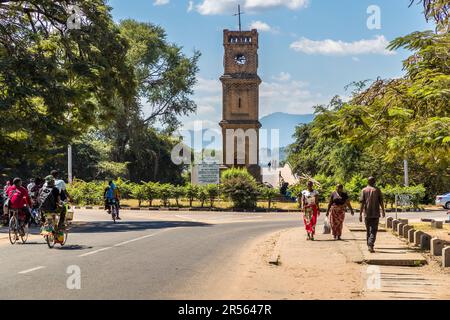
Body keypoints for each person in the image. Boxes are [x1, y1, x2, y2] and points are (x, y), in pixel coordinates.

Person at [360, 177, 385, 253]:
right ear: (374, 182)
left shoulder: (363, 190)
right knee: (374, 230)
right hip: (375, 213)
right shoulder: (377, 190)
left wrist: (360, 214)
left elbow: (362, 203)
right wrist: (383, 211)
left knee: (368, 230)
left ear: (367, 182)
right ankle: (370, 244)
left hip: (367, 214)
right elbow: (381, 201)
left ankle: (369, 245)